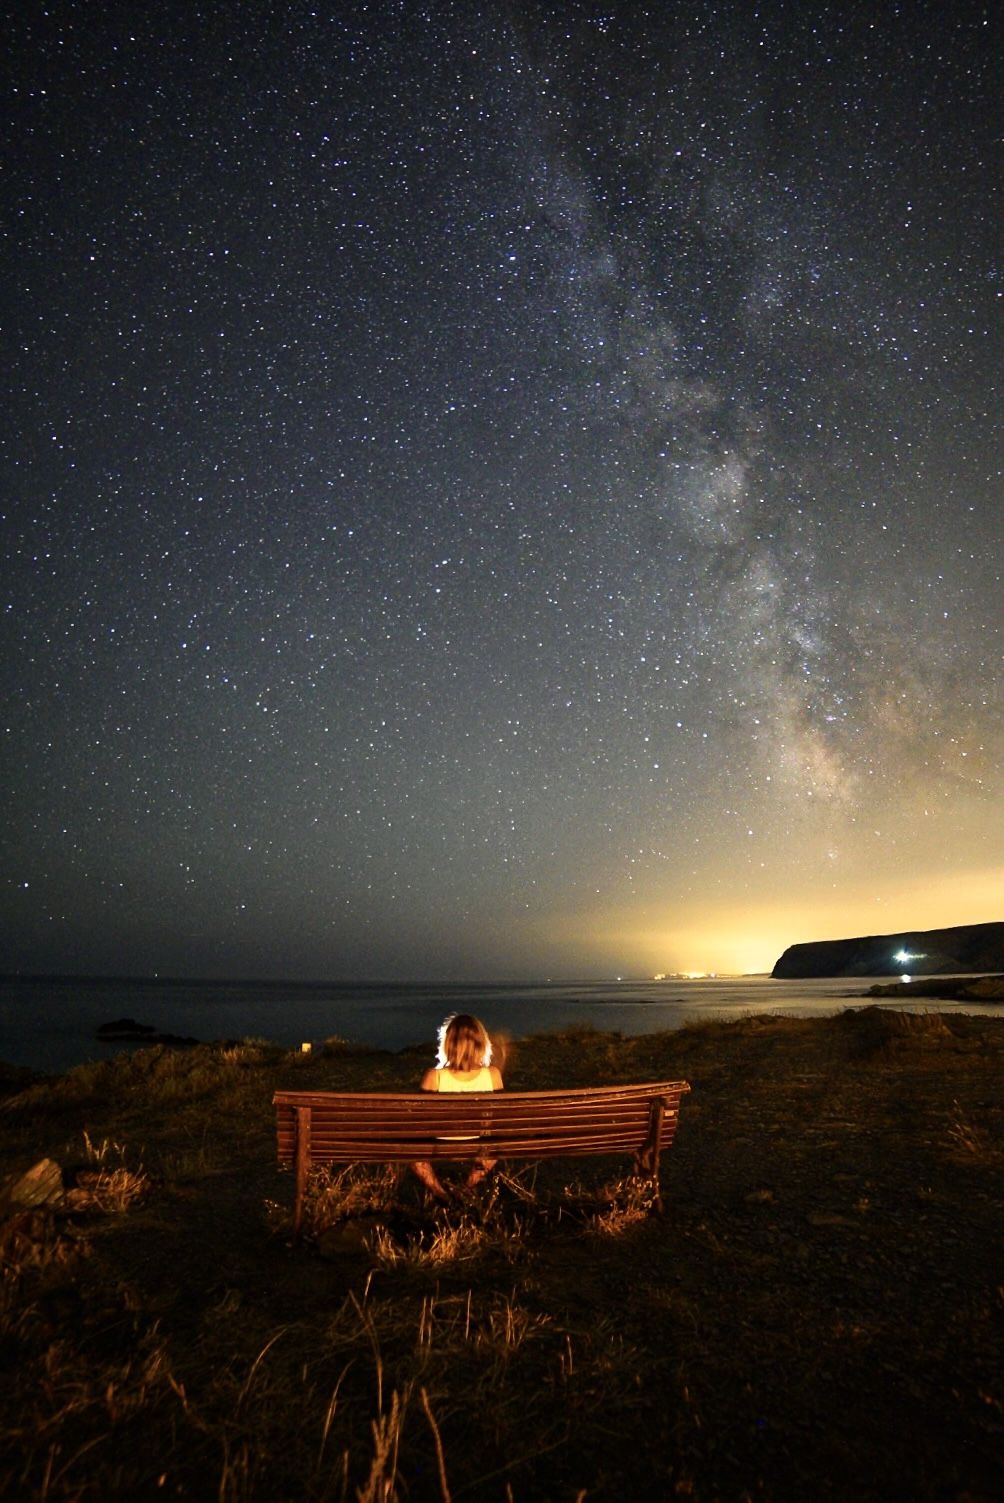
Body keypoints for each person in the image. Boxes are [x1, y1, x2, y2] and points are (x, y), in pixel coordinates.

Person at [411, 1013, 503, 1204]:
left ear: (448, 1044)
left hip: (438, 1146)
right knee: (495, 1148)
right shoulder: (493, 1074)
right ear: (481, 1044)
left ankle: (441, 1194)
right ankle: (467, 1188)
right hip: (480, 1144)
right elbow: (499, 1117)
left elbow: (418, 1122)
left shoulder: (433, 1077)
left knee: (413, 1153)